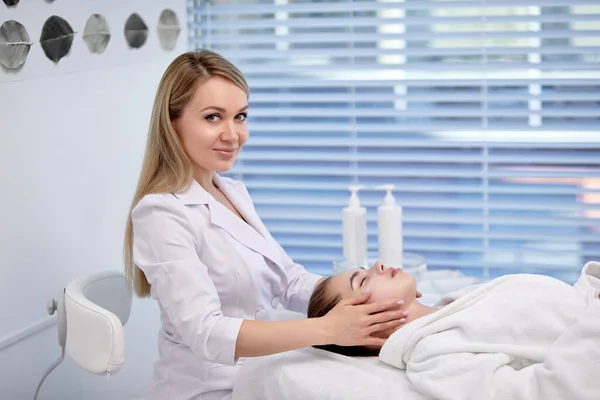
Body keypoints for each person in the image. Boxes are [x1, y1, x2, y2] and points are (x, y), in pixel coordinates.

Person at [122, 50, 410, 400]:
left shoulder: (232, 192)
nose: (233, 135)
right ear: (172, 123)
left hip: (261, 375)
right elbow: (208, 333)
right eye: (213, 117)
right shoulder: (161, 214)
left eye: (240, 116)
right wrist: (326, 328)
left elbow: (287, 279)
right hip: (209, 389)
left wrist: (363, 292)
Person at [308, 260, 600, 400]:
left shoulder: (456, 303)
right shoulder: (433, 356)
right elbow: (538, 393)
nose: (379, 264)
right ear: (361, 325)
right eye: (362, 281)